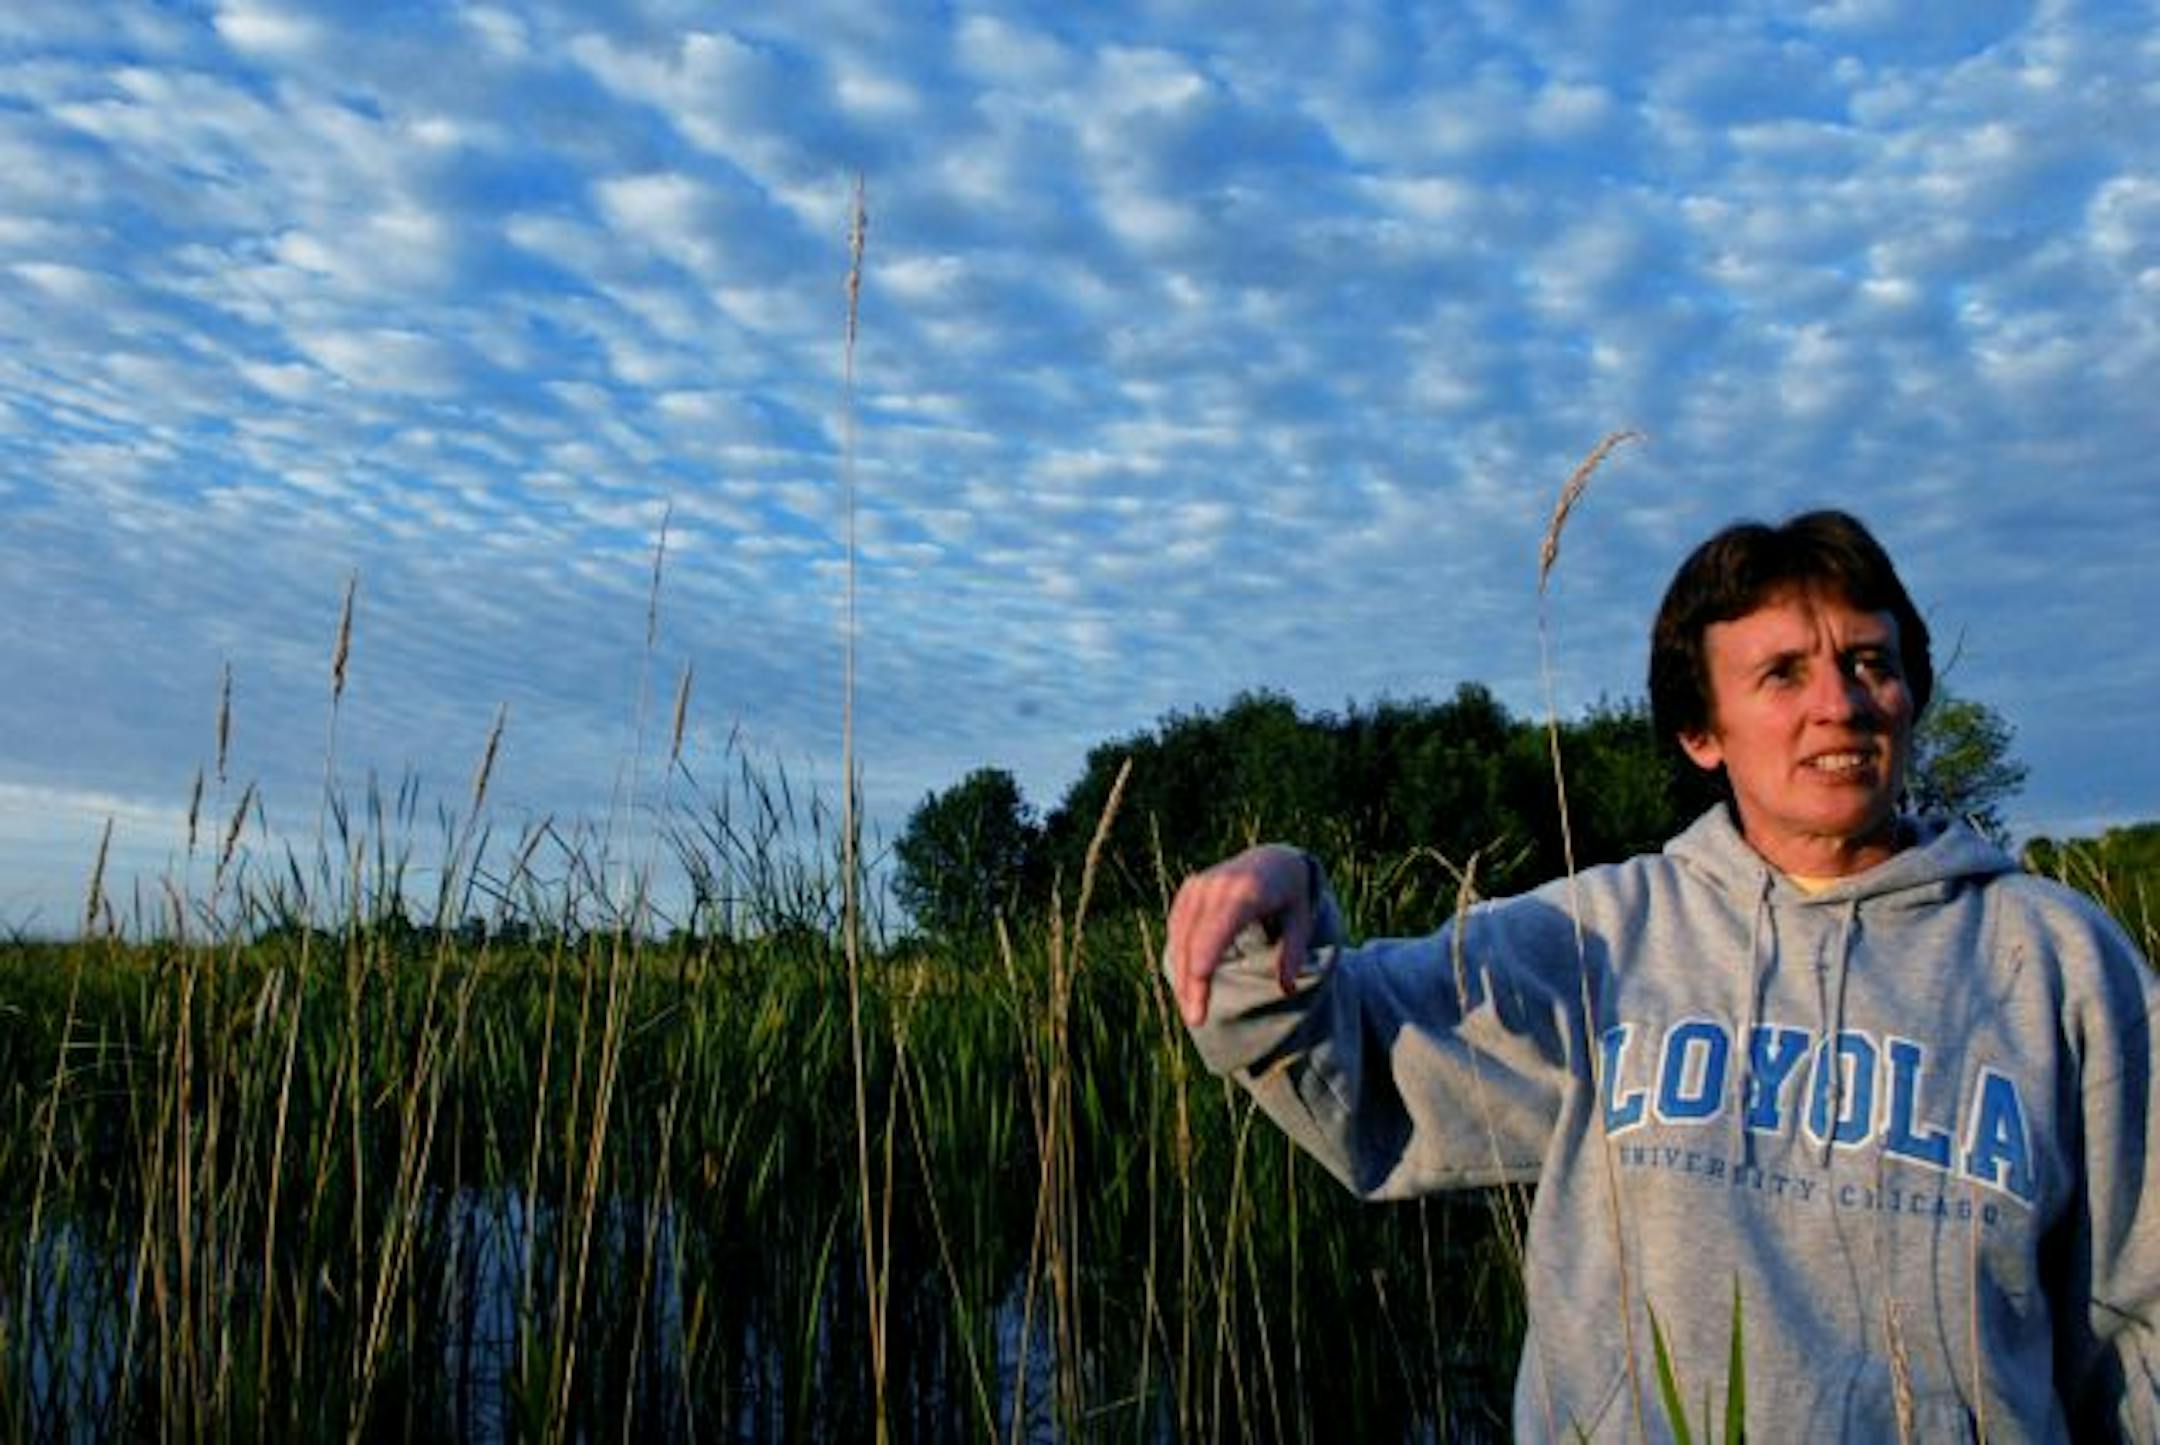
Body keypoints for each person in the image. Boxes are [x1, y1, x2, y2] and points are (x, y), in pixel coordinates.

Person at [1165, 509, 2160, 1441]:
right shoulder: (1598, 936)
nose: (1842, 704)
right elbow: (1350, 1049)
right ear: (1702, 733)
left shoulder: (2059, 959)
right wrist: (1275, 900)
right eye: (1783, 673)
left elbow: (2141, 1312)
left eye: (1870, 662)